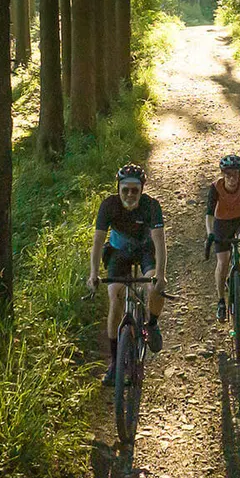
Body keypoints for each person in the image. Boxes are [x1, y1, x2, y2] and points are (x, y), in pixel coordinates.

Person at [89, 163, 167, 385]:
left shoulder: (151, 206)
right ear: (118, 189)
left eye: (135, 190)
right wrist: (93, 273)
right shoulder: (108, 206)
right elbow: (97, 243)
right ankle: (114, 362)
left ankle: (152, 324)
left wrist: (160, 275)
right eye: (125, 190)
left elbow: (160, 243)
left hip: (145, 249)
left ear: (142, 190)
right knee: (115, 296)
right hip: (119, 251)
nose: (130, 194)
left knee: (153, 287)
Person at [206, 153, 240, 321]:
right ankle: (221, 301)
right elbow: (209, 214)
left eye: (235, 174)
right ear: (223, 174)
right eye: (228, 174)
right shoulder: (215, 187)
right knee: (222, 262)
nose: (231, 178)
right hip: (221, 222)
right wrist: (210, 234)